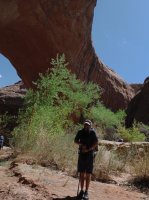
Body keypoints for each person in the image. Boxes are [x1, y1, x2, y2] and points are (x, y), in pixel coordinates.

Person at [74, 119, 98, 200]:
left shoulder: (92, 132)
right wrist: (81, 144)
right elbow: (75, 141)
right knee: (81, 173)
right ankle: (81, 191)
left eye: (87, 125)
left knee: (88, 174)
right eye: (85, 124)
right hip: (82, 154)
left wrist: (88, 149)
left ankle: (86, 191)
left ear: (90, 125)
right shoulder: (80, 131)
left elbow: (96, 142)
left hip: (90, 155)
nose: (86, 126)